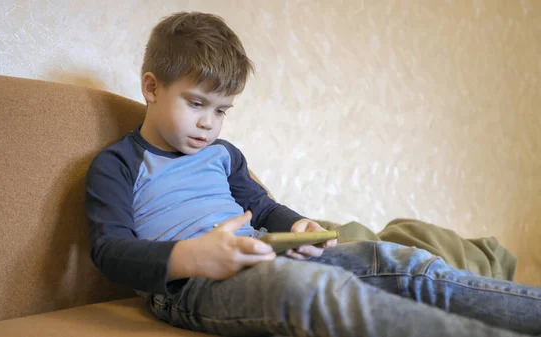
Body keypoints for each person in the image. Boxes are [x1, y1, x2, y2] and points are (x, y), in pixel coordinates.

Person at [84, 11, 541, 337]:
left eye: (222, 110)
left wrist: (297, 226)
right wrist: (191, 257)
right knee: (315, 291)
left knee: (402, 262)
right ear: (151, 87)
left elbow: (261, 207)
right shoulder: (118, 164)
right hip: (190, 287)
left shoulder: (224, 154)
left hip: (264, 252)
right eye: (196, 103)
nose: (209, 122)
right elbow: (109, 250)